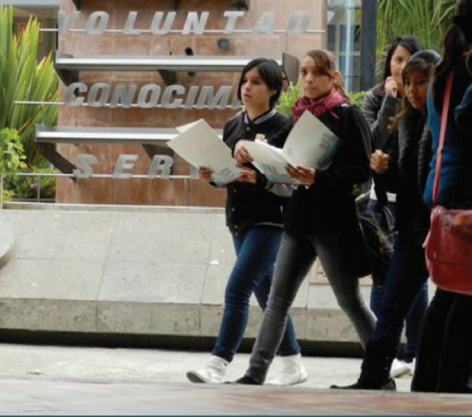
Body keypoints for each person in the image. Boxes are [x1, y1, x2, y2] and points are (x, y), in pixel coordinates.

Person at [230, 49, 375, 385]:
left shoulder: (347, 115)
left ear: (333, 78)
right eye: (304, 72)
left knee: (350, 302)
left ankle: (379, 370)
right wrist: (252, 157)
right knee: (277, 301)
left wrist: (318, 178)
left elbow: (361, 170)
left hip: (332, 222)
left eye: (316, 73)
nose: (308, 79)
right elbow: (279, 158)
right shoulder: (299, 114)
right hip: (297, 221)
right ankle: (255, 373)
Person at [187, 58, 307, 386]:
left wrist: (260, 176)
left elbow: (292, 180)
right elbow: (225, 173)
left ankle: (218, 363)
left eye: (256, 82)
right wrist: (212, 176)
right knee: (268, 297)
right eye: (244, 81)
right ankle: (293, 363)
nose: (247, 87)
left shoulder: (284, 127)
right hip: (238, 220)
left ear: (273, 89)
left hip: (271, 221)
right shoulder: (232, 125)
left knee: (237, 289)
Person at [332, 50, 440, 390]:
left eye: (421, 82)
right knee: (392, 306)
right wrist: (383, 168)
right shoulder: (405, 122)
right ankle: (373, 377)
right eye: (408, 82)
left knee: (446, 308)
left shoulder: (447, 123)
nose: (413, 90)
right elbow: (401, 183)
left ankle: (435, 377)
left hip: (443, 228)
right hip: (411, 230)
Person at [412, 0, 472, 394]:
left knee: (450, 291)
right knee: (466, 296)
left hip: (445, 189)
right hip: (466, 190)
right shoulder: (467, 71)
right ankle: (451, 381)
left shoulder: (444, 74)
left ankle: (426, 381)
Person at [361, 36, 426, 379]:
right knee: (386, 286)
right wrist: (389, 101)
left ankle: (418, 357)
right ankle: (381, 366)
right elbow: (372, 142)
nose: (402, 70)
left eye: (410, 63)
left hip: (426, 212)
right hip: (388, 206)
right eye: (398, 61)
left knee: (419, 290)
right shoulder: (379, 100)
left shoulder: (430, 112)